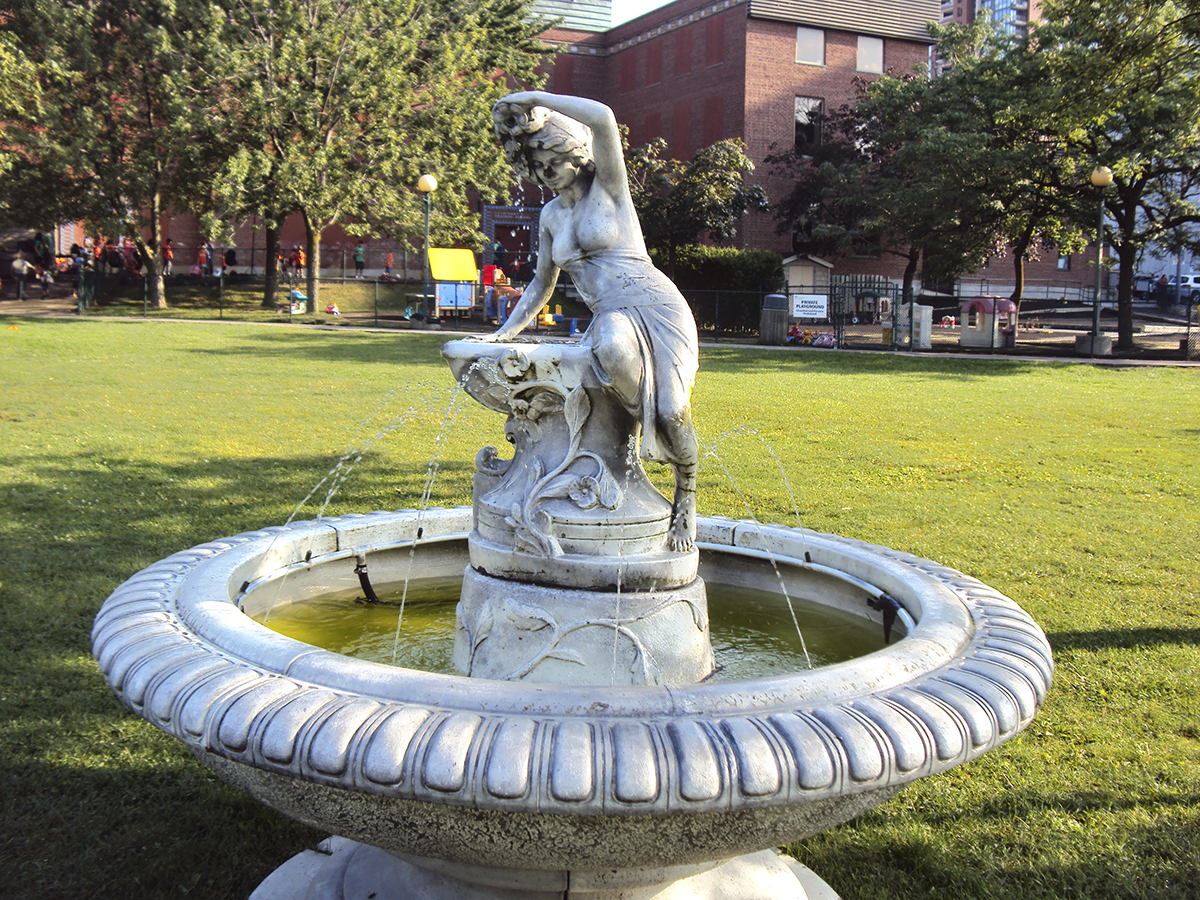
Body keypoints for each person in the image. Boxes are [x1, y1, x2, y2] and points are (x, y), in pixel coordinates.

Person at [482, 91, 700, 552]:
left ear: (575, 153)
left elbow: (604, 118)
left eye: (553, 160)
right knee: (611, 347)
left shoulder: (609, 188)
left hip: (658, 307)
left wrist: (536, 97)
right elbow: (541, 284)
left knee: (671, 413)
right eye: (538, 166)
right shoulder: (550, 216)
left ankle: (687, 494)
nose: (547, 172)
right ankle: (620, 451)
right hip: (611, 315)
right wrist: (505, 332)